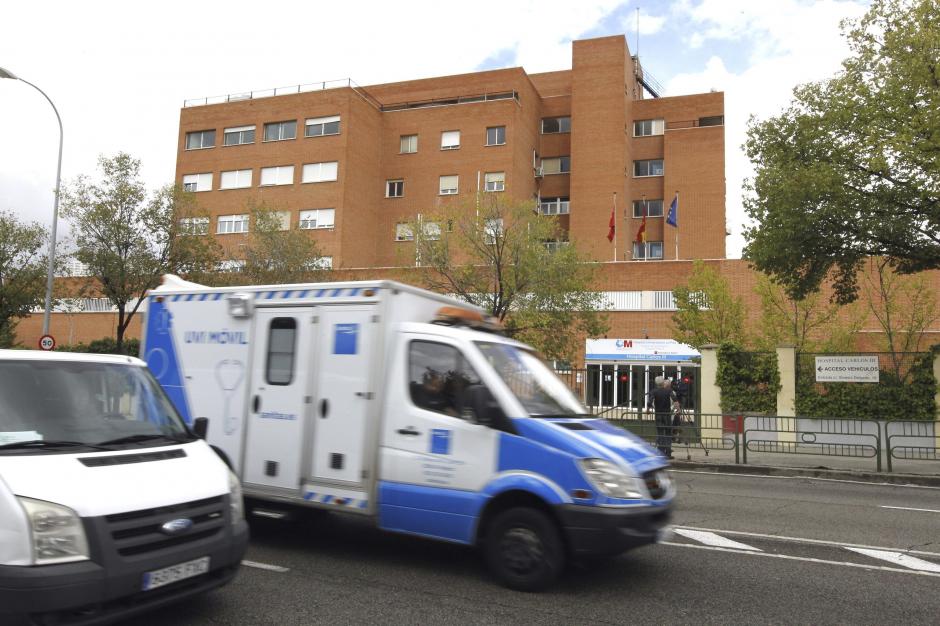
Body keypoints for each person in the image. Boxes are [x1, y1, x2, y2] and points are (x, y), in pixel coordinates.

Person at [649, 377, 679, 459]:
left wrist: (648, 410)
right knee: (668, 434)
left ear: (656, 383)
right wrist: (678, 409)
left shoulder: (654, 391)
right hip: (667, 415)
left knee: (660, 433)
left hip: (659, 415)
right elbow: (675, 400)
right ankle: (668, 453)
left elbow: (649, 402)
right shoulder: (669, 391)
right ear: (663, 383)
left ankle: (661, 453)